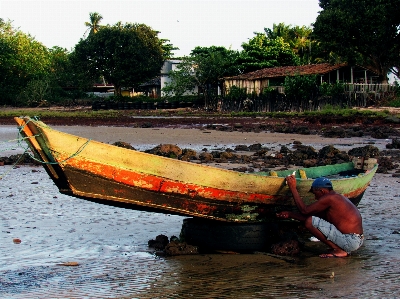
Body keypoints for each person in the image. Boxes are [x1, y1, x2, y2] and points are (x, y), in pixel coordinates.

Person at [276, 175, 364, 258]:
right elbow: (314, 220)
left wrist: (293, 188)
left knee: (310, 221)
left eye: (315, 193)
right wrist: (290, 214)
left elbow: (305, 211)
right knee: (310, 220)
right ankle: (340, 248)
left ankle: (338, 250)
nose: (315, 198)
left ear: (322, 191)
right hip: (356, 241)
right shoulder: (337, 198)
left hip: (350, 240)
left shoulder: (330, 198)